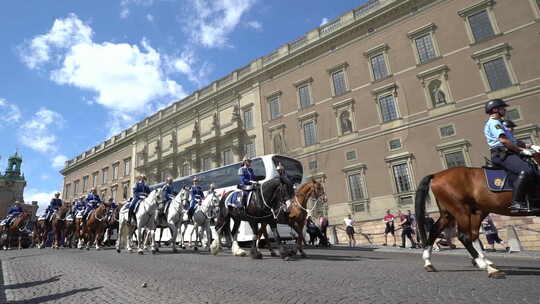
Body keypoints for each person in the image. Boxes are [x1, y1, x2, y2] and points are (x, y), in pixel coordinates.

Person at [484, 99, 540, 213]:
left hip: (509, 151)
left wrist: (532, 146)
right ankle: (516, 203)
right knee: (526, 170)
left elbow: (514, 141)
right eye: (502, 108)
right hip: (502, 154)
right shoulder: (494, 123)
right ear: (495, 110)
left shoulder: (500, 123)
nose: (505, 110)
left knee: (534, 168)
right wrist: (521, 151)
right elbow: (504, 140)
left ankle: (533, 199)